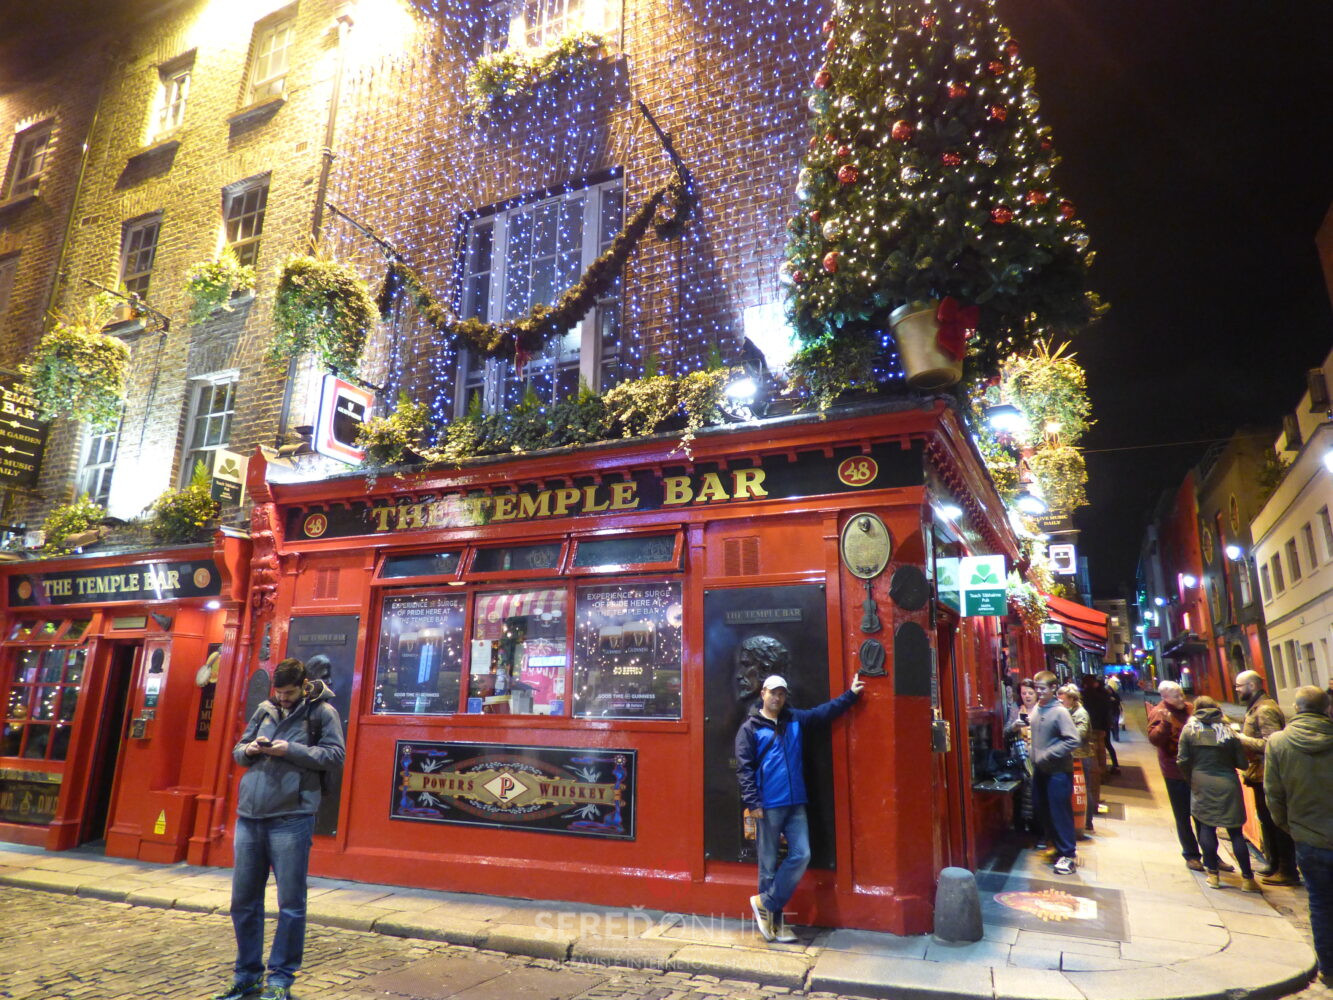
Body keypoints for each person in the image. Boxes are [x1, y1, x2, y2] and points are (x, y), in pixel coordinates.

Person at [215, 658, 346, 1000]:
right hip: (250, 816)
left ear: (303, 685)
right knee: (243, 902)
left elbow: (335, 756)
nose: (283, 698)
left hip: (292, 816)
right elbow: (238, 752)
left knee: (290, 903)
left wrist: (292, 750)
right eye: (279, 692)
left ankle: (280, 980)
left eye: (288, 693)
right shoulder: (265, 710)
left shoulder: (323, 713)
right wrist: (249, 749)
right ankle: (247, 975)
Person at [735, 672, 864, 942]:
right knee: (768, 866)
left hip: (795, 802)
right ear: (763, 694)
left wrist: (851, 695)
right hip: (768, 804)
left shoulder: (794, 719)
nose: (777, 697)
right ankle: (776, 924)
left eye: (781, 693)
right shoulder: (750, 728)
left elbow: (823, 713)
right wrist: (753, 802)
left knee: (802, 854)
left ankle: (765, 903)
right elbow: (744, 770)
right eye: (773, 692)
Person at [1265, 686, 1333, 987]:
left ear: (1296, 708)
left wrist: (1289, 827)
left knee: (1320, 903)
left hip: (1308, 838)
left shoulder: (1278, 743)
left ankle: (1329, 968)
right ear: (1327, 708)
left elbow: (1273, 794)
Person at [1176, 696, 1259, 892]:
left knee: (1206, 827)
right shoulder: (1228, 731)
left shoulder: (1189, 730)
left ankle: (1213, 876)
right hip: (1228, 783)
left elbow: (1182, 760)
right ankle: (1248, 879)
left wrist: (1191, 777)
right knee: (1235, 832)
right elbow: (1242, 763)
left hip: (1201, 782)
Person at [1147, 681, 1223, 872]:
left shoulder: (1191, 709)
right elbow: (1155, 740)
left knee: (1204, 815)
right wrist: (1165, 724)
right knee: (1183, 815)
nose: (1181, 699)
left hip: (1198, 770)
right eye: (1176, 696)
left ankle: (1211, 855)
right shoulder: (1159, 712)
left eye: (1182, 694)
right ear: (1165, 697)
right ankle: (1191, 855)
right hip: (1175, 772)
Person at [1235, 669, 1299, 885]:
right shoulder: (1256, 707)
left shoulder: (1265, 710)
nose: (1237, 690)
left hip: (1268, 774)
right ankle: (1274, 862)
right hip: (1259, 774)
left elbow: (1271, 743)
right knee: (1266, 820)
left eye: (1239, 686)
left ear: (1252, 686)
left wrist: (1241, 738)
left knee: (1276, 821)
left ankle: (1286, 869)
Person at [1029, 671, 1080, 874]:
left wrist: (1048, 753)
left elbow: (1073, 739)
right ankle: (1057, 848)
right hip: (1041, 770)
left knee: (1060, 812)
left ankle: (1068, 855)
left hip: (1058, 772)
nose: (1039, 692)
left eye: (1043, 688)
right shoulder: (1038, 708)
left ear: (1053, 688)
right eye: (1037, 688)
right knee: (1043, 809)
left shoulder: (1060, 712)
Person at [1059, 684, 1098, 836]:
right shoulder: (1070, 711)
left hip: (1081, 755)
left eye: (1063, 700)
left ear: (1071, 699)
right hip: (1072, 755)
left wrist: (1063, 733)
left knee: (1083, 789)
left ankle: (1087, 821)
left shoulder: (1081, 713)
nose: (1062, 703)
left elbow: (1080, 734)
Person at [1004, 678, 1040, 834]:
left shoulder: (1042, 710)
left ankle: (1036, 827)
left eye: (1030, 693)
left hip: (1038, 759)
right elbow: (1005, 733)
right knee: (1021, 795)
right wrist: (1014, 726)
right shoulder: (1016, 710)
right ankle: (1022, 826)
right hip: (1021, 760)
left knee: (1037, 794)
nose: (1027, 696)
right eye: (1024, 693)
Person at [1081, 674, 1119, 775]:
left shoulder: (1086, 695)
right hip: (1104, 724)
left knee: (1097, 748)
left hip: (1094, 725)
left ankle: (1100, 770)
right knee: (1106, 744)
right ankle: (1113, 766)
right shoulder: (1103, 694)